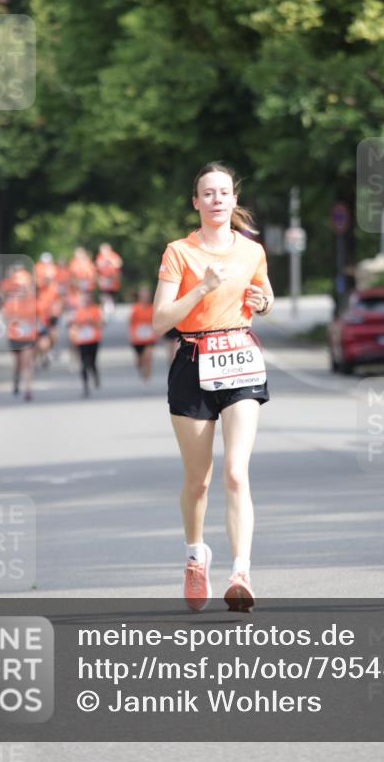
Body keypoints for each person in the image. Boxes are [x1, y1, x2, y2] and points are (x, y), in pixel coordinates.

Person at [152, 162, 274, 613]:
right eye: (209, 193)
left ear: (234, 200)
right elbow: (160, 319)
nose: (218, 199)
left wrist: (265, 302)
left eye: (225, 192)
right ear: (196, 202)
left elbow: (263, 296)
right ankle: (195, 555)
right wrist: (201, 287)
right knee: (198, 481)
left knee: (236, 472)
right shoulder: (178, 253)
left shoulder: (252, 251)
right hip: (193, 361)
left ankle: (241, 572)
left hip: (241, 360)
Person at [1, 268, 37, 401]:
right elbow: (5, 317)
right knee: (17, 363)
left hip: (28, 336)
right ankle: (16, 381)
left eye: (25, 288)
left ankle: (28, 389)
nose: (22, 291)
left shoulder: (32, 302)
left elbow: (37, 317)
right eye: (20, 288)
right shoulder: (11, 303)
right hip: (14, 336)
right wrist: (14, 320)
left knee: (27, 363)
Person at [68, 289, 103, 397]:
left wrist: (91, 321)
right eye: (85, 297)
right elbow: (73, 325)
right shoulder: (78, 311)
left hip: (93, 339)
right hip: (82, 340)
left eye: (89, 297)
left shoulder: (96, 309)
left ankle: (95, 374)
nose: (87, 299)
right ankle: (85, 386)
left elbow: (100, 324)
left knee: (92, 362)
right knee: (83, 363)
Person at [129, 285, 157, 380]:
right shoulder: (135, 308)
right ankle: (141, 368)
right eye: (143, 294)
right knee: (139, 361)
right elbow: (130, 322)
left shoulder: (153, 308)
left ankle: (147, 376)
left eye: (147, 294)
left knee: (148, 357)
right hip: (137, 338)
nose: (145, 296)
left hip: (149, 337)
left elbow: (156, 322)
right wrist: (131, 334)